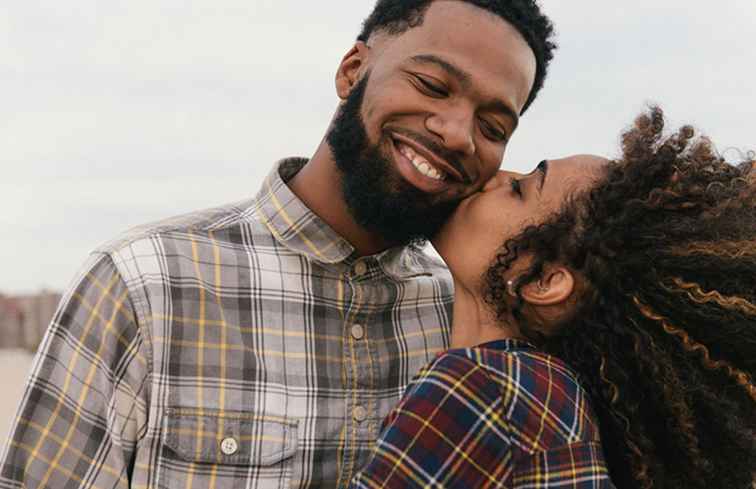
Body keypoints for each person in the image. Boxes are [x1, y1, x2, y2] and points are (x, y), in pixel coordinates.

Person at [0, 1, 556, 488]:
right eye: (433, 86)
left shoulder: (467, 327)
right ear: (352, 70)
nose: (459, 132)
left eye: (492, 126)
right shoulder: (146, 282)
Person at [349, 106, 756, 489]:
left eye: (520, 188)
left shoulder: (477, 388)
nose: (496, 174)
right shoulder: (553, 394)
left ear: (543, 280)